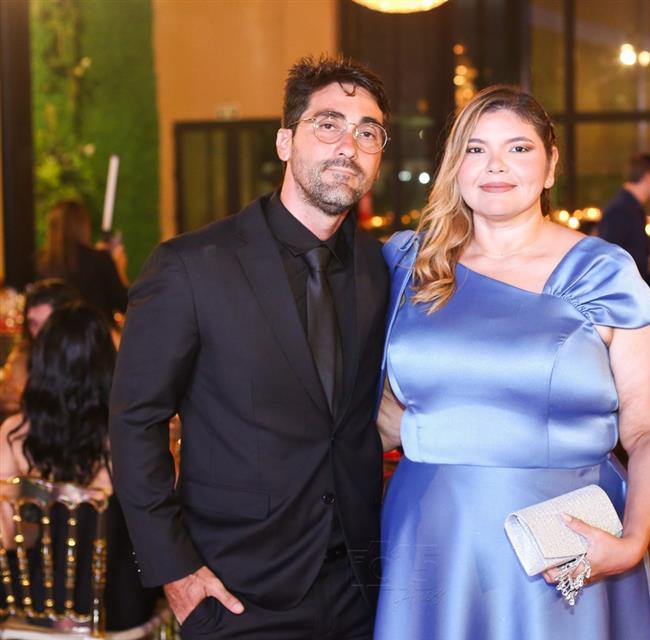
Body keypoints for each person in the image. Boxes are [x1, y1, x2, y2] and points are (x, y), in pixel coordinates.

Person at [374, 85, 650, 639]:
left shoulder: (603, 272)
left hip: (562, 539)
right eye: (476, 149)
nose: (495, 165)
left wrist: (633, 540)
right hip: (431, 531)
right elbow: (378, 408)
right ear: (455, 164)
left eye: (518, 148)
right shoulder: (406, 264)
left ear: (550, 164)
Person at [109, 55, 390, 639]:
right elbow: (135, 421)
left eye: (368, 132)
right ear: (285, 141)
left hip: (361, 588)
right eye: (329, 125)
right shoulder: (191, 266)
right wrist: (174, 569)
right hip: (236, 591)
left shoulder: (378, 266)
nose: (349, 145)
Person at [0, 303, 159, 630]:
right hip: (117, 606)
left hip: (36, 602)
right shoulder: (128, 433)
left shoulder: (14, 433)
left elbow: (7, 536)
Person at [37, 200, 128, 324]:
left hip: (56, 333)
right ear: (83, 227)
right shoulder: (99, 260)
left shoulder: (41, 263)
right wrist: (119, 268)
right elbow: (125, 304)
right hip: (95, 332)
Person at [0, 279, 79, 417]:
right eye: (34, 324)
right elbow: (8, 402)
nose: (41, 333)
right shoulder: (23, 361)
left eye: (49, 324)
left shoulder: (86, 359)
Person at [597, 152, 650, 289]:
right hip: (625, 291)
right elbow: (610, 252)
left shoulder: (632, 206)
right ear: (648, 177)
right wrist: (647, 263)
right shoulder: (620, 208)